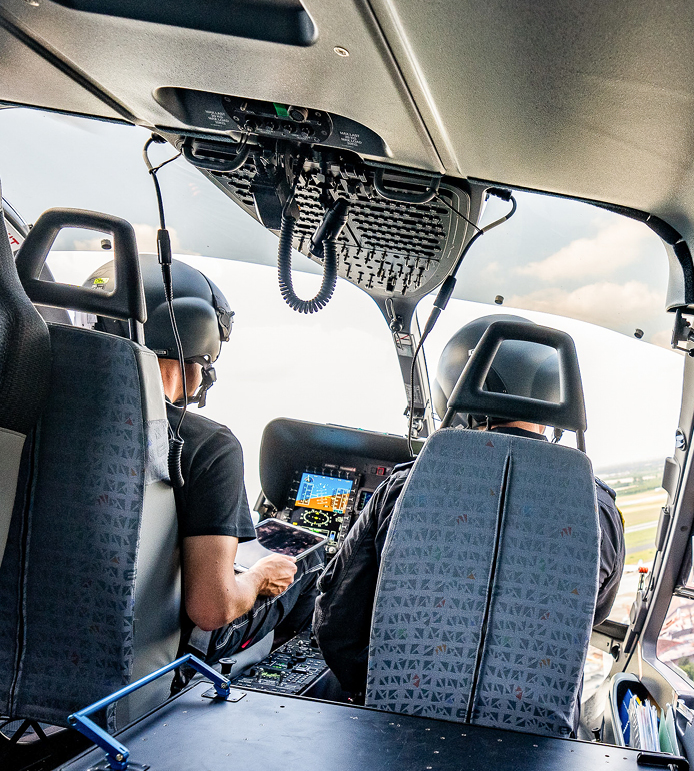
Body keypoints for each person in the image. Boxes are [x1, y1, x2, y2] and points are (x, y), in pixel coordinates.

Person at [313, 313, 625, 700]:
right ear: (552, 400)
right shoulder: (600, 511)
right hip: (533, 741)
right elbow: (589, 617)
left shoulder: (403, 489)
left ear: (458, 393)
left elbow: (337, 625)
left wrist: (384, 694)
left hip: (398, 725)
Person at [87, 258, 319, 658]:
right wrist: (261, 576)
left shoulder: (31, 414)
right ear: (197, 338)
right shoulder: (210, 446)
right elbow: (212, 608)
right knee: (309, 564)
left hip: (23, 658)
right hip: (138, 666)